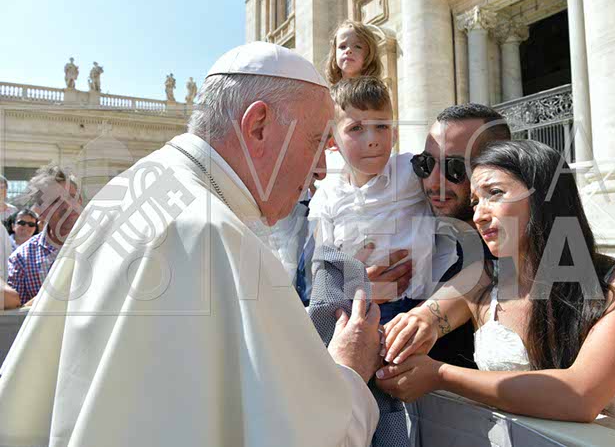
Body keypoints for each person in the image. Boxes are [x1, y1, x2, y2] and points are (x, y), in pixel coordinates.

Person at [0, 42, 384, 447]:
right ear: (258, 126)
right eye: (316, 141)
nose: (321, 169)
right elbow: (308, 435)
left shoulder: (125, 190)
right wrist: (349, 372)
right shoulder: (216, 235)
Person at [377, 139, 615, 426]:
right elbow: (423, 319)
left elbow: (580, 397)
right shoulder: (483, 280)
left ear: (544, 195)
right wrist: (412, 326)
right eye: (475, 201)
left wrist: (440, 375)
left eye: (494, 193)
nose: (478, 215)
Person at [310, 77, 456, 323]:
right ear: (332, 141)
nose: (373, 139)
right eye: (356, 128)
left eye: (381, 126)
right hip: (360, 311)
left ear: (394, 134)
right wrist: (350, 292)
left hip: (425, 304)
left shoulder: (411, 171)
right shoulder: (328, 195)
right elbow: (322, 266)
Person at [410, 104, 510, 370]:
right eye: (425, 164)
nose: (433, 182)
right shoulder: (412, 231)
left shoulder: (514, 258)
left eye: (454, 168)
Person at [5, 166, 83, 305]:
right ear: (41, 211)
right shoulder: (22, 259)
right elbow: (17, 314)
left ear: (80, 200)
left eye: (71, 197)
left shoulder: (104, 244)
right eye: (55, 201)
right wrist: (44, 301)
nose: (67, 206)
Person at [325, 20, 383, 86]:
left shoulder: (374, 91)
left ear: (369, 54)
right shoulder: (328, 91)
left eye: (357, 46)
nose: (348, 50)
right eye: (342, 47)